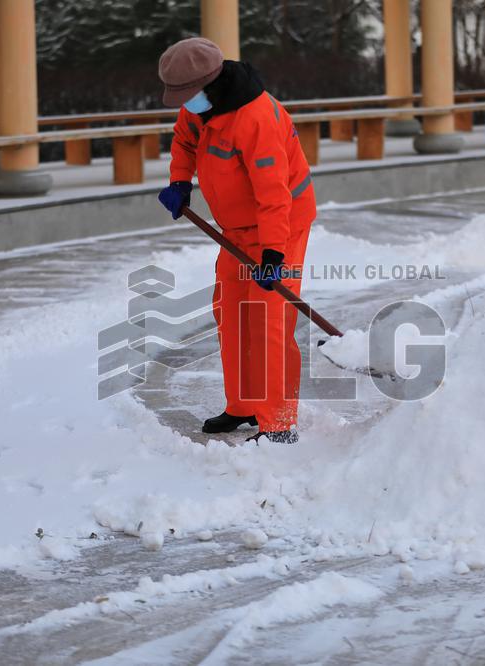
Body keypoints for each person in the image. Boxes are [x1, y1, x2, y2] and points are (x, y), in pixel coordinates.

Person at [156, 37, 316, 444]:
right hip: (236, 229)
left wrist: (274, 252)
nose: (183, 105)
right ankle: (243, 405)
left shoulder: (255, 118)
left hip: (282, 225)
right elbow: (184, 140)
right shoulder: (202, 108)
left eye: (186, 96)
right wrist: (180, 180)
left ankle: (278, 422)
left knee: (269, 320)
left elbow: (273, 195)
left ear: (211, 84)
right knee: (232, 312)